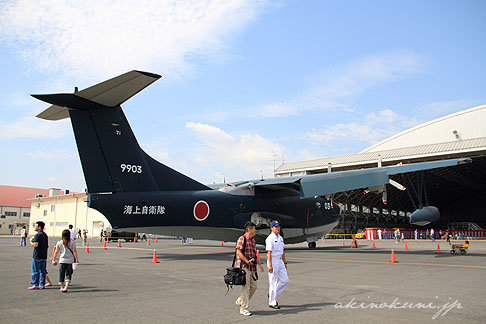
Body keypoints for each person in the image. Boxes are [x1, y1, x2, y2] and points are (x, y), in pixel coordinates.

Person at [235, 221, 264, 316]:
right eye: (254, 228)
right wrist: (246, 261)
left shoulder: (253, 241)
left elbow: (255, 254)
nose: (255, 230)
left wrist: (259, 264)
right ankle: (243, 309)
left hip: (252, 267)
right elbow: (238, 252)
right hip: (244, 266)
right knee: (246, 288)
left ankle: (241, 300)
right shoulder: (242, 239)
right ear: (249, 229)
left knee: (254, 286)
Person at [266, 220, 289, 310]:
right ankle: (272, 302)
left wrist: (285, 262)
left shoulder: (280, 238)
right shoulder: (270, 238)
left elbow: (282, 251)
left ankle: (273, 293)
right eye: (275, 227)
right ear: (271, 228)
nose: (278, 228)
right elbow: (269, 253)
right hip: (273, 260)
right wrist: (270, 265)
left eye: (278, 226)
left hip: (279, 261)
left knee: (285, 280)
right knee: (273, 281)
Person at [28, 221, 49, 290]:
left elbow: (35, 245)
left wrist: (31, 241)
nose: (35, 227)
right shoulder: (45, 235)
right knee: (42, 271)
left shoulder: (37, 235)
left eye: (36, 226)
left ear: (39, 227)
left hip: (37, 255)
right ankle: (42, 284)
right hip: (44, 255)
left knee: (35, 271)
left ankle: (35, 284)